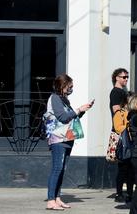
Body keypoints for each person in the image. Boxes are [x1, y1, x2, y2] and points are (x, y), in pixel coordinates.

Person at [45, 74, 92, 210]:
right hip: (58, 138)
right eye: (69, 86)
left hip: (67, 137)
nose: (71, 89)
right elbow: (63, 117)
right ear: (62, 85)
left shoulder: (64, 99)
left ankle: (57, 198)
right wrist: (78, 110)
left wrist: (82, 111)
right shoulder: (55, 98)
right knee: (57, 169)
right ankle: (50, 200)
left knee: (62, 169)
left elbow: (71, 117)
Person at [109, 68, 132, 203]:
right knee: (124, 165)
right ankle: (119, 193)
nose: (125, 79)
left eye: (127, 77)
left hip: (125, 130)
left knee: (128, 165)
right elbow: (116, 110)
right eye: (123, 77)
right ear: (116, 78)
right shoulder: (116, 92)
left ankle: (127, 192)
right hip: (121, 131)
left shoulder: (122, 92)